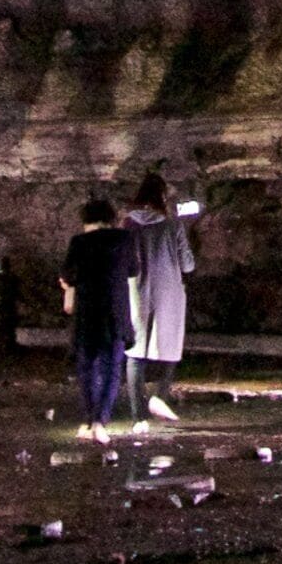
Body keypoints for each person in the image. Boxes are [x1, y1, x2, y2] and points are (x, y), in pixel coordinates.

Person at [122, 171, 195, 422]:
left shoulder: (128, 225)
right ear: (162, 196)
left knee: (135, 352)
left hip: (136, 291)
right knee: (171, 347)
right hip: (168, 292)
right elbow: (188, 265)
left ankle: (138, 416)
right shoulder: (173, 225)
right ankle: (160, 395)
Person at [60, 192, 129, 440]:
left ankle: (90, 419)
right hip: (115, 312)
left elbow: (67, 275)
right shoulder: (124, 239)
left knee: (87, 366)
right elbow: (134, 269)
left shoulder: (79, 242)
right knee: (112, 367)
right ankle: (101, 419)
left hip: (87, 313)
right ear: (110, 218)